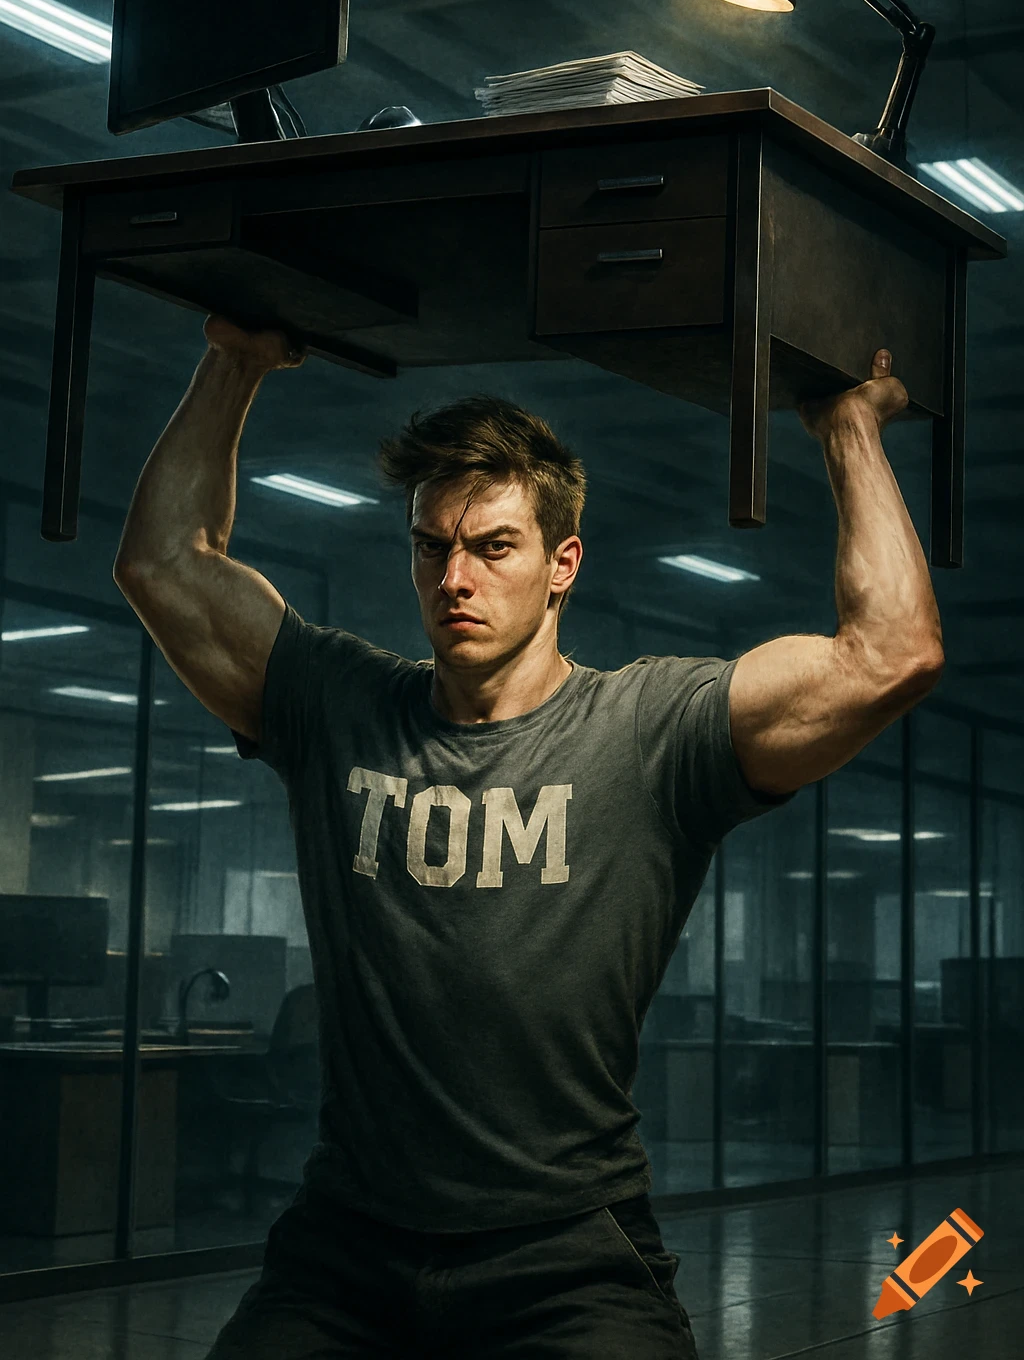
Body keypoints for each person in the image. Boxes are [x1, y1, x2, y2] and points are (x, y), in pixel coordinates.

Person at [113, 316, 943, 1360]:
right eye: (432, 547)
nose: (454, 578)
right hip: (345, 1252)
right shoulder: (336, 705)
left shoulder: (650, 730)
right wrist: (235, 360)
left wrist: (844, 430)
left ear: (562, 563)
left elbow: (891, 654)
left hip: (565, 1253)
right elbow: (161, 561)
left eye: (492, 547)